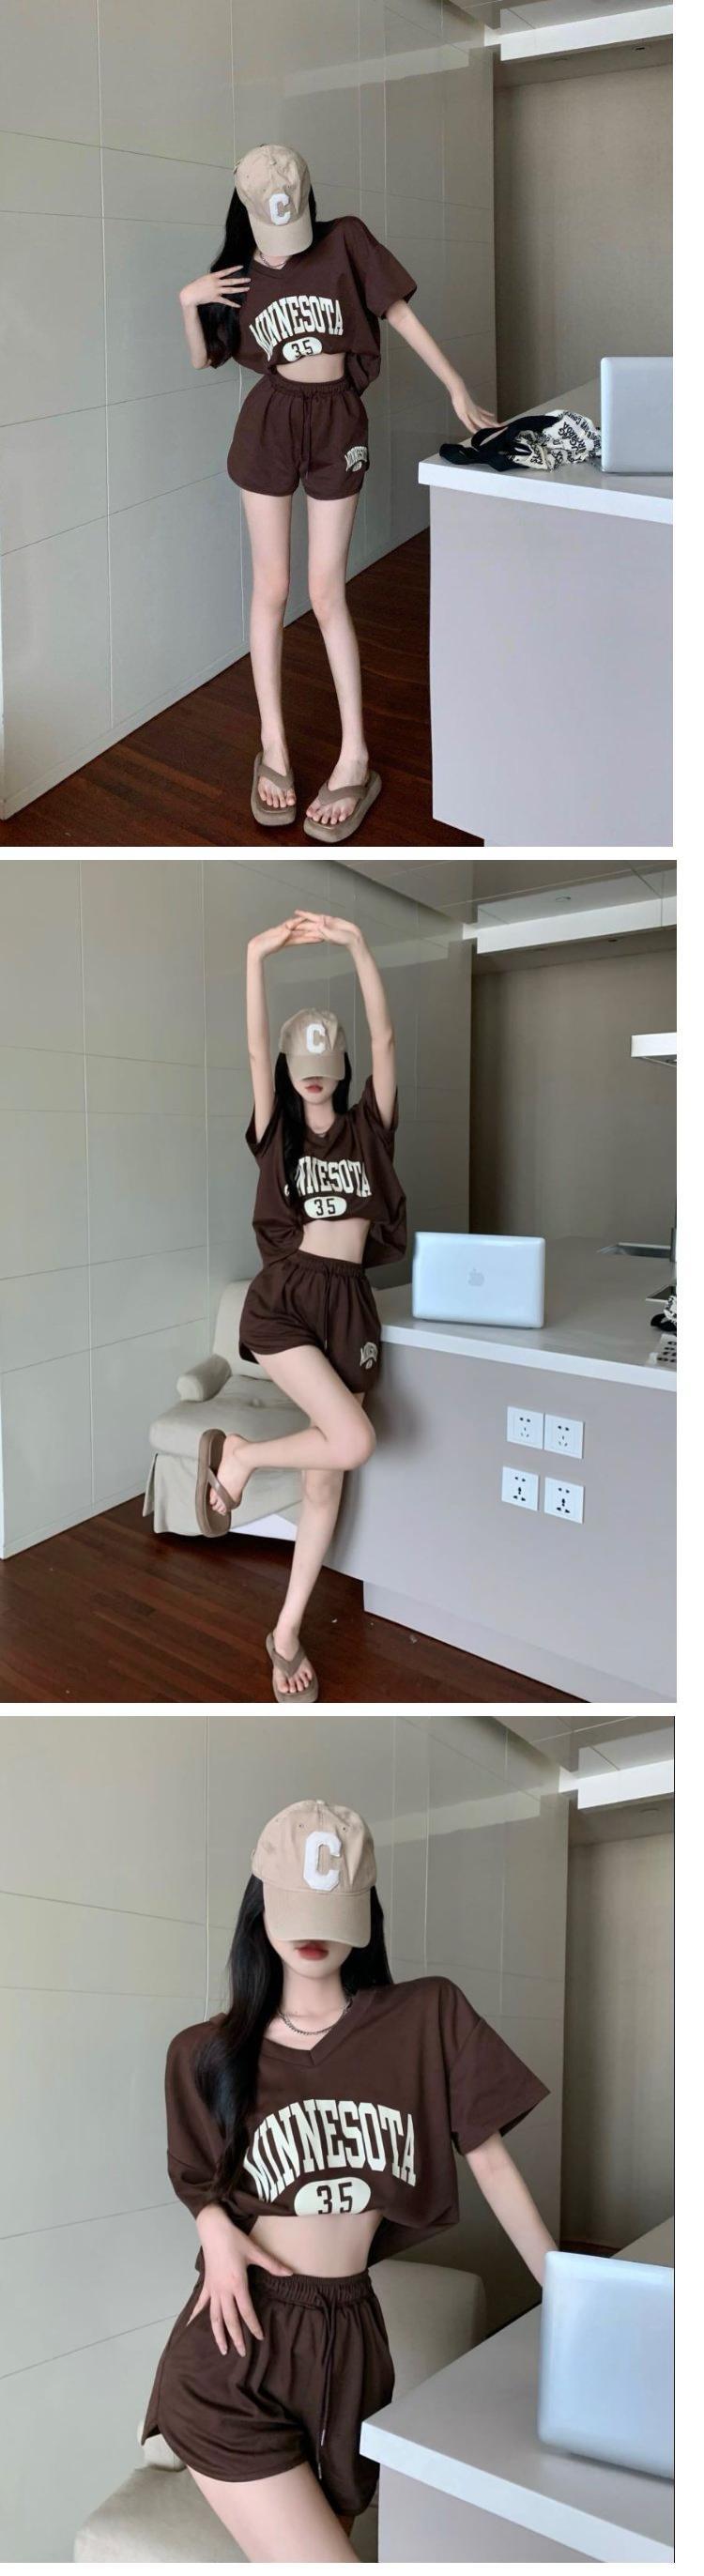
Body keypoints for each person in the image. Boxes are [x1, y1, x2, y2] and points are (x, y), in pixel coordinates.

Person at [142, 1797, 555, 2565]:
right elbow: (197, 2176)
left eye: (331, 1911)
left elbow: (491, 2158)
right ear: (260, 1907)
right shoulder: (206, 2052)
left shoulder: (425, 2018)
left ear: (364, 1913)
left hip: (354, 2342)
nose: (312, 1932)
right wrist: (214, 2231)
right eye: (294, 1908)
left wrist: (567, 2295)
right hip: (238, 2344)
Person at [178, 144, 496, 841]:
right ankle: (274, 747)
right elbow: (204, 359)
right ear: (248, 212)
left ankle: (355, 755)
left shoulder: (345, 240)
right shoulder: (236, 274)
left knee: (327, 591)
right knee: (272, 588)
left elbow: (400, 315)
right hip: (269, 421)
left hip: (337, 420)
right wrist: (187, 302)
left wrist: (455, 386)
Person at [195, 908, 406, 1704]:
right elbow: (255, 1048)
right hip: (286, 1301)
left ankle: (284, 1636)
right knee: (353, 1441)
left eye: (325, 1062)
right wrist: (255, 956)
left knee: (326, 1482)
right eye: (300, 1063)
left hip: (348, 1308)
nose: (312, 1074)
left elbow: (387, 1040)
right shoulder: (277, 1133)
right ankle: (242, 1456)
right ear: (289, 1070)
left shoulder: (369, 1130)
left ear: (340, 1066)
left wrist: (358, 945)